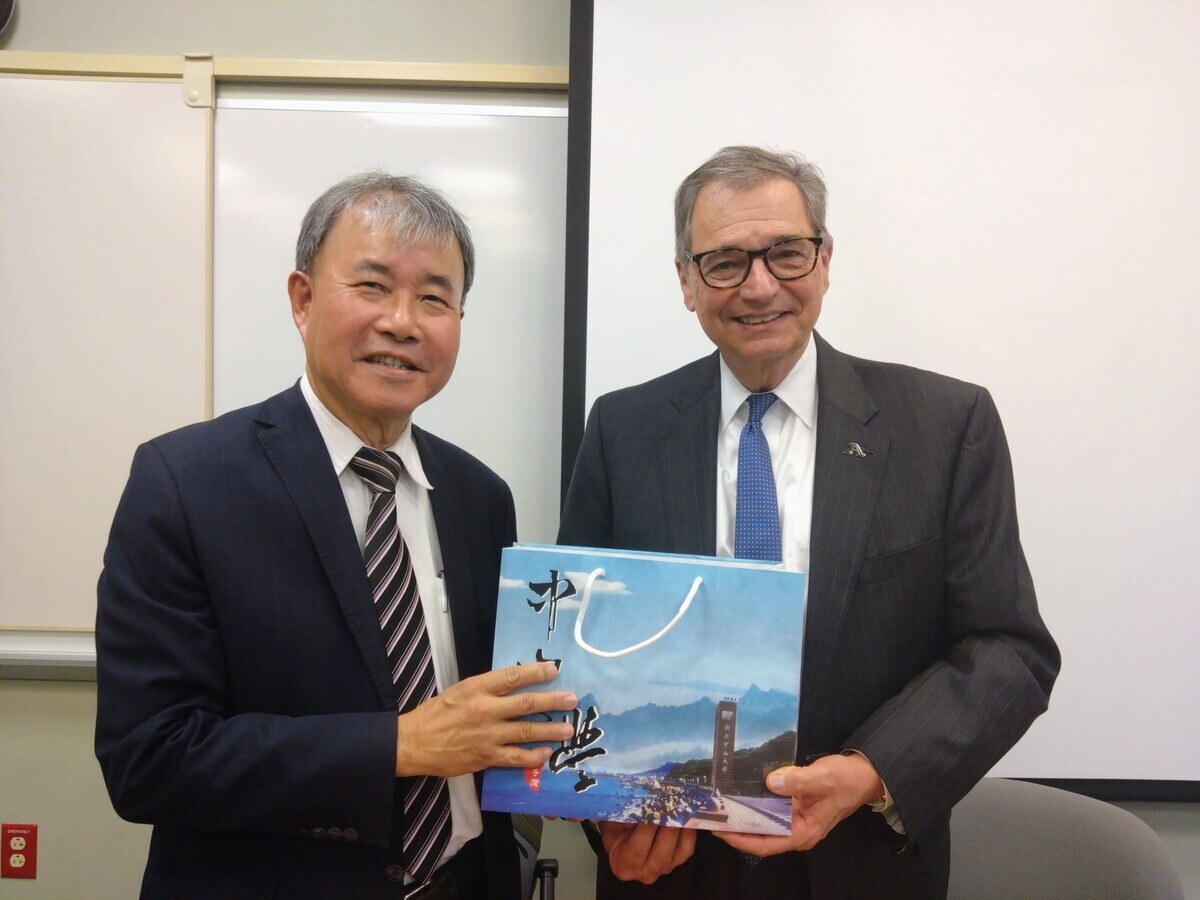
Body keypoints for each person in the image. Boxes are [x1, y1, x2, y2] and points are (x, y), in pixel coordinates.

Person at [557, 146, 1060, 898]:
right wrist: (607, 824)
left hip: (862, 865)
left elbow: (1009, 650)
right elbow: (580, 652)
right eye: (725, 262)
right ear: (687, 283)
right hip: (670, 872)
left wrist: (870, 772)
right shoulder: (622, 431)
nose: (760, 285)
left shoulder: (946, 427)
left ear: (825, 261)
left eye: (786, 254)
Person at [95, 172, 577, 900]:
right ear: (303, 299)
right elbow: (150, 759)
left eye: (435, 298)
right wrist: (400, 746)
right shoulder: (185, 482)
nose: (404, 322)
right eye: (374, 287)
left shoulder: (481, 497)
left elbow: (489, 724)